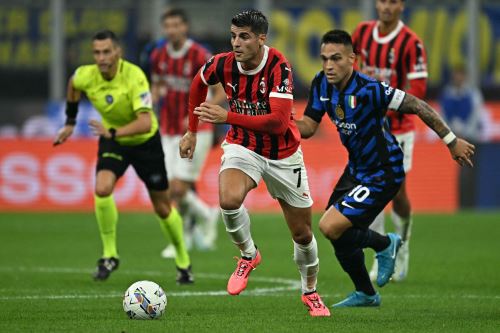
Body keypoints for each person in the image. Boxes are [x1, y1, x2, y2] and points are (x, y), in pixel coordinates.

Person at [296, 29, 474, 307]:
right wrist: (282, 124)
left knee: (329, 225)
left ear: (352, 59)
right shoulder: (321, 83)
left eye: (336, 58)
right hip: (356, 170)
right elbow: (308, 126)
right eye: (324, 58)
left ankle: (384, 244)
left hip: (384, 171)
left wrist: (450, 141)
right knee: (337, 235)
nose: (328, 65)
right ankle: (367, 294)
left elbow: (417, 105)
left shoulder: (371, 89)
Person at [179, 10, 330, 317]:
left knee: (302, 235)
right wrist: (191, 132)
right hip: (242, 145)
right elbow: (198, 84)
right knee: (228, 199)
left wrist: (227, 116)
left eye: (244, 37)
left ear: (261, 39)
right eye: (233, 35)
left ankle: (310, 291)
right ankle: (249, 254)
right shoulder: (222, 63)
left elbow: (277, 122)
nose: (236, 43)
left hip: (284, 154)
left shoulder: (278, 66)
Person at [53, 30, 193, 284]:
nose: (101, 57)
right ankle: (110, 255)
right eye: (97, 52)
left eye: (106, 51)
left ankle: (183, 260)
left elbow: (143, 122)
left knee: (162, 207)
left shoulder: (134, 77)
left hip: (144, 142)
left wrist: (113, 131)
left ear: (118, 52)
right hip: (113, 140)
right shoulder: (87, 75)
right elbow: (73, 84)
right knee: (102, 188)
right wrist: (71, 121)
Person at [351, 0, 428, 282]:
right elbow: (351, 69)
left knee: (398, 194)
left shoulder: (411, 43)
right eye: (382, 0)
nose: (386, 6)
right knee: (371, 191)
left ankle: (403, 246)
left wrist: (384, 103)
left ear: (402, 6)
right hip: (367, 127)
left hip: (398, 129)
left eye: (392, 1)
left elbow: (416, 89)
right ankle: (381, 253)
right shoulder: (361, 32)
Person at [151, 8, 226, 258]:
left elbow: (220, 91)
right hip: (167, 127)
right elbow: (158, 86)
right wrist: (149, 104)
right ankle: (206, 214)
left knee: (178, 189)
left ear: (185, 27)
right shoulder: (158, 54)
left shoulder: (199, 55)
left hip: (197, 129)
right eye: (168, 26)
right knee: (168, 188)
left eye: (176, 25)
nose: (172, 30)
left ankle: (181, 237)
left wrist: (200, 112)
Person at [440, 64, 486, 207]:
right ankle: (458, 204)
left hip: (470, 139)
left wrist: (464, 132)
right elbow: (442, 117)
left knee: (469, 173)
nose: (458, 77)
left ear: (464, 76)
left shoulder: (473, 94)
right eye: (456, 74)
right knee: (457, 174)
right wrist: (452, 133)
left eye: (460, 74)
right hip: (452, 139)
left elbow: (476, 115)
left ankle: (469, 204)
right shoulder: (447, 94)